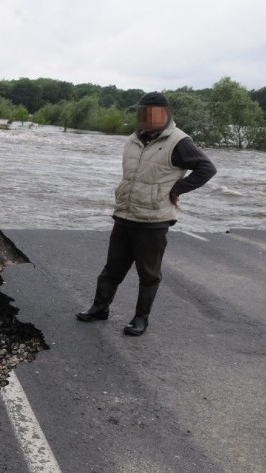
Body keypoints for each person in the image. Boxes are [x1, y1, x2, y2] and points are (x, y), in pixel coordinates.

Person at [76, 91, 217, 336]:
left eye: (148, 112)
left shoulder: (178, 141)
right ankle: (99, 309)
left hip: (153, 220)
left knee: (148, 275)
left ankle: (140, 319)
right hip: (124, 215)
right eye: (140, 112)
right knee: (112, 269)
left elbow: (207, 168)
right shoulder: (134, 139)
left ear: (163, 114)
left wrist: (177, 189)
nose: (143, 117)